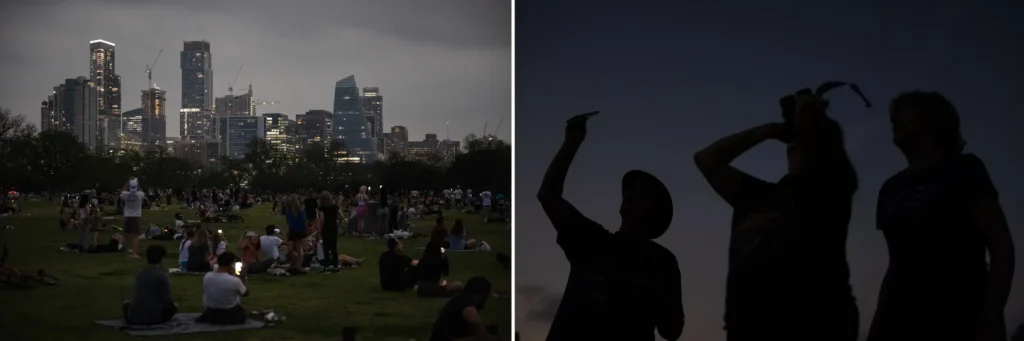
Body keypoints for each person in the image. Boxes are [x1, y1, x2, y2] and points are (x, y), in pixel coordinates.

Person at [694, 92, 859, 340]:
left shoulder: (832, 189)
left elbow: (813, 127)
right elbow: (707, 159)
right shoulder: (757, 195)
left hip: (814, 326)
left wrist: (806, 106)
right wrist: (769, 130)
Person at [868, 92, 1015, 341]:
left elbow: (1001, 248)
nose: (895, 119)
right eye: (895, 115)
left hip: (960, 315)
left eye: (906, 112)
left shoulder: (965, 169)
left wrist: (992, 315)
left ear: (933, 121)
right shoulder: (890, 188)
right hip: (899, 319)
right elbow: (896, 262)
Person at [539, 112, 684, 341]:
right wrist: (572, 142)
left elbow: (671, 330)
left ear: (655, 210)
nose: (630, 193)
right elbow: (548, 195)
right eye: (629, 190)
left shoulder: (663, 263)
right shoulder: (590, 239)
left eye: (640, 191)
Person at [429, 277, 499, 341]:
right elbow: (476, 323)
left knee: (490, 330)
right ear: (483, 294)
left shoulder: (461, 299)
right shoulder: (466, 303)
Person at [123, 245, 178, 325]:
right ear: (161, 259)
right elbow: (167, 300)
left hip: (132, 317)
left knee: (127, 304)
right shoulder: (162, 276)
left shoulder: (140, 274)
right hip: (152, 317)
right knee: (173, 306)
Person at [196, 252, 250, 325]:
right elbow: (246, 293)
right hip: (229, 314)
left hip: (211, 313)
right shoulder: (235, 281)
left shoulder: (207, 276)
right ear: (231, 264)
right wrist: (244, 277)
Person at [418, 218, 463, 297]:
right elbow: (446, 272)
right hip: (433, 288)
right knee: (458, 285)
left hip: (421, 288)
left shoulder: (429, 249)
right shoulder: (440, 254)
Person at [317, 191, 343, 273]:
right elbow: (342, 216)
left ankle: (327, 266)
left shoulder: (322, 208)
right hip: (334, 227)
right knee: (334, 247)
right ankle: (335, 266)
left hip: (326, 227)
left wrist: (320, 229)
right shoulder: (335, 206)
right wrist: (338, 222)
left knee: (326, 247)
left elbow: (322, 219)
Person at [283, 196, 309, 274]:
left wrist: (306, 231)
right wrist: (288, 230)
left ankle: (299, 265)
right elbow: (289, 222)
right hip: (292, 231)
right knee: (290, 248)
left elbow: (305, 222)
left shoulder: (300, 211)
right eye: (288, 201)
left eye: (291, 201)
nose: (289, 203)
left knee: (298, 248)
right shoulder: (288, 211)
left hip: (299, 231)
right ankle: (293, 263)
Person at [122, 179, 146, 259]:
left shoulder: (125, 194)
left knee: (126, 235)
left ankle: (121, 248)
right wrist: (137, 184)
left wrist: (128, 183)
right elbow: (141, 190)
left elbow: (123, 190)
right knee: (135, 236)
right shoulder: (139, 194)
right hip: (135, 216)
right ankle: (134, 253)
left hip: (127, 216)